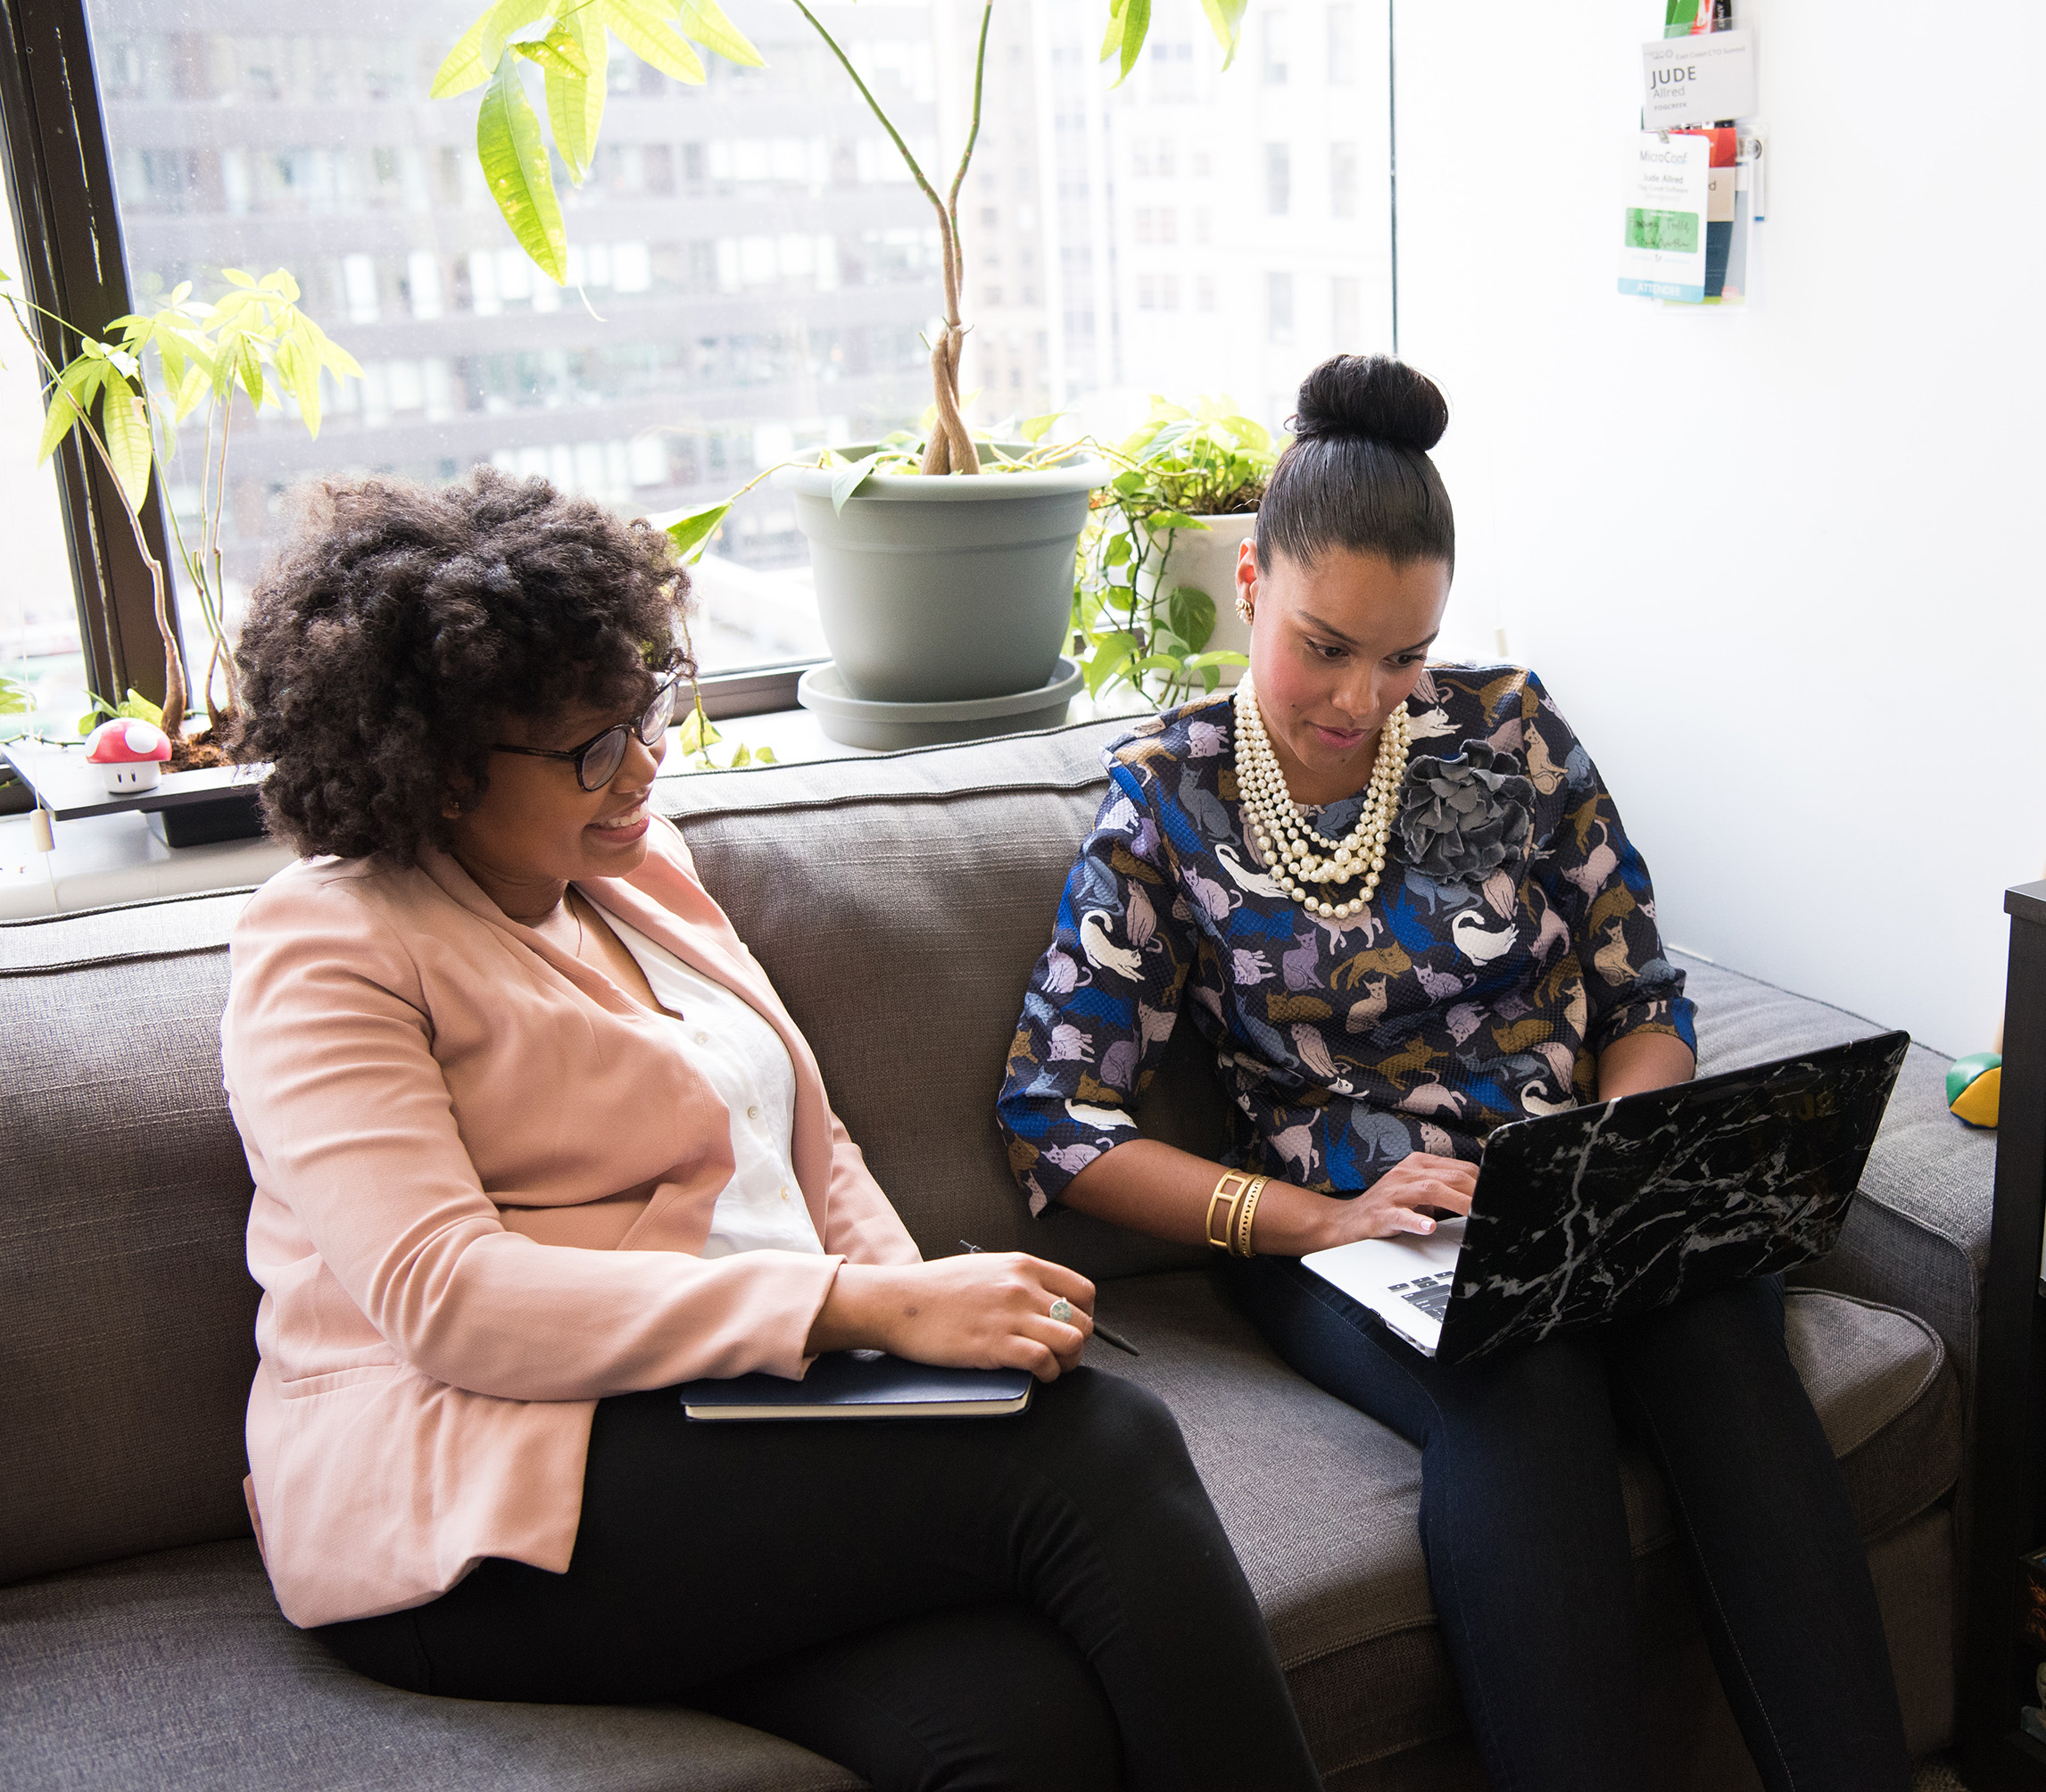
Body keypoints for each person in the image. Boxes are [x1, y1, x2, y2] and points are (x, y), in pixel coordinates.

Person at [220, 468, 1321, 1792]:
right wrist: (858, 1313)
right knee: (1103, 1446)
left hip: (720, 1428)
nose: (642, 764)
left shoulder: (636, 873)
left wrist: (935, 1333)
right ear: (442, 773)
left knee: (1020, 1730)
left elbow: (813, 1147)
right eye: (588, 747)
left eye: (643, 710)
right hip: (474, 1505)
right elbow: (445, 1299)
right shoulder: (330, 943)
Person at [996, 355, 1910, 1792]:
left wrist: (1621, 1154)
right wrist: (1316, 1219)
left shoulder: (1508, 733)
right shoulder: (1163, 803)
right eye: (1325, 646)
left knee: (1719, 1332)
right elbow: (1054, 1125)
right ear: (1248, 584)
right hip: (1358, 1233)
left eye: (1403, 654)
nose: (1365, 697)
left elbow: (1641, 992)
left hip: (1572, 1187)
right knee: (1519, 1372)